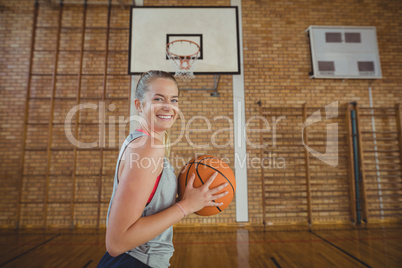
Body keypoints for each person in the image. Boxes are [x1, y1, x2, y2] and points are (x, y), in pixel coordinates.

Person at [97, 70, 229, 268]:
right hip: (134, 262)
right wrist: (186, 207)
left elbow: (147, 207)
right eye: (159, 99)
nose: (168, 107)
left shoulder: (142, 142)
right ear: (139, 105)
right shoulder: (148, 147)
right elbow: (117, 242)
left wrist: (187, 200)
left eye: (174, 100)